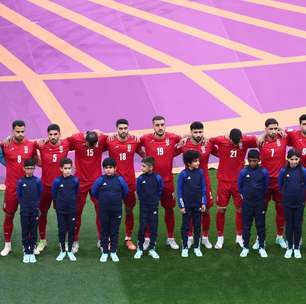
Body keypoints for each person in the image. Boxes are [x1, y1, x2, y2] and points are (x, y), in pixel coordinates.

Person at [209, 129, 257, 249]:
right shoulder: (220, 140)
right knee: (221, 209)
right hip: (223, 182)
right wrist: (218, 153)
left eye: (238, 142)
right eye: (233, 142)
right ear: (229, 138)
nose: (236, 145)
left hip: (239, 183)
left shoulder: (245, 139)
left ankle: (239, 237)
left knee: (240, 209)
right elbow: (209, 141)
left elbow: (258, 140)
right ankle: (220, 238)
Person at [140, 116, 181, 250]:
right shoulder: (145, 138)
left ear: (165, 125)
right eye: (157, 125)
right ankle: (147, 238)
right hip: (151, 182)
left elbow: (186, 139)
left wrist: (187, 136)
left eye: (162, 124)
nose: (160, 127)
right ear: (153, 126)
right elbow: (132, 144)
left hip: (168, 182)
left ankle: (171, 238)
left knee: (169, 209)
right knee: (149, 210)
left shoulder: (173, 137)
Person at [176, 121, 217, 249]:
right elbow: (171, 150)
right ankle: (189, 237)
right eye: (195, 132)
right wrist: (184, 136)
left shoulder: (208, 143)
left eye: (200, 132)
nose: (198, 134)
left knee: (206, 210)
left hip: (204, 183)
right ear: (191, 132)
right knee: (189, 211)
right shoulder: (184, 144)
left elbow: (221, 152)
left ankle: (204, 237)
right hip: (188, 184)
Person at [106, 119, 145, 251]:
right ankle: (111, 239)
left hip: (129, 183)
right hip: (113, 183)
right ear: (116, 129)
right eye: (120, 128)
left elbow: (143, 153)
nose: (123, 131)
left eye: (125, 128)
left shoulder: (135, 140)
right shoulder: (109, 140)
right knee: (112, 212)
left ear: (128, 128)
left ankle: (128, 238)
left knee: (129, 210)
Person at [67, 131, 107, 253]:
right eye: (90, 145)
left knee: (101, 212)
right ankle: (74, 241)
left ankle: (102, 240)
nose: (93, 147)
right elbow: (61, 144)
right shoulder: (75, 138)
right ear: (85, 141)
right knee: (76, 213)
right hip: (80, 182)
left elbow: (112, 138)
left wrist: (100, 132)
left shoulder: (102, 138)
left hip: (97, 182)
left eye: (95, 145)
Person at [1, 120, 37, 256]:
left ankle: (28, 244)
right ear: (12, 131)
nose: (20, 134)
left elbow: (37, 160)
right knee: (9, 215)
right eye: (17, 131)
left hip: (28, 187)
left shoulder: (31, 145)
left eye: (22, 131)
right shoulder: (5, 145)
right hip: (11, 187)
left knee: (29, 217)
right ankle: (7, 245)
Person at [36, 124, 72, 253]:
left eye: (55, 134)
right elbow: (28, 146)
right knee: (42, 213)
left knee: (62, 214)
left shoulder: (66, 144)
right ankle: (42, 240)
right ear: (47, 135)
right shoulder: (41, 145)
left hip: (61, 188)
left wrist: (96, 132)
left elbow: (80, 140)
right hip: (45, 187)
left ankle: (64, 241)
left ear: (59, 134)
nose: (52, 137)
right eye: (50, 135)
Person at [255, 118, 287, 249]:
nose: (273, 131)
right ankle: (259, 238)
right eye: (270, 129)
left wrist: (283, 129)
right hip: (264, 183)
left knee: (281, 211)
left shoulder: (284, 137)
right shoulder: (260, 141)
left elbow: (299, 132)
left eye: (275, 128)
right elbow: (241, 137)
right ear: (266, 129)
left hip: (280, 182)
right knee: (261, 211)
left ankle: (280, 237)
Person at [91, 158, 128, 263]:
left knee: (114, 231)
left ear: (115, 168)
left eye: (110, 168)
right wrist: (103, 200)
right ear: (103, 169)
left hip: (116, 210)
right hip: (103, 211)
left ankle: (113, 251)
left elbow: (125, 191)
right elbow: (94, 192)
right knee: (104, 231)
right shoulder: (100, 180)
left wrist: (116, 199)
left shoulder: (120, 180)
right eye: (106, 168)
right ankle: (105, 252)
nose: (108, 170)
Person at [238, 149, 269, 258]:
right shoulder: (243, 172)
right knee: (246, 226)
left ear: (259, 160)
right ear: (247, 160)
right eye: (250, 161)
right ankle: (245, 247)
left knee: (261, 226)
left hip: (259, 204)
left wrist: (260, 199)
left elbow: (266, 188)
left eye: (254, 161)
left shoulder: (264, 172)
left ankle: (261, 247)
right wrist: (246, 198)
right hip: (247, 204)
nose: (252, 163)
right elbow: (239, 187)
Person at [177, 150, 206, 258]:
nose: (198, 163)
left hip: (197, 205)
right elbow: (179, 191)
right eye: (195, 161)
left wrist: (203, 203)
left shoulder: (200, 172)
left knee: (197, 226)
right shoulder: (183, 174)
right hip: (187, 206)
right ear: (188, 163)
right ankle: (184, 247)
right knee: (185, 226)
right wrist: (181, 206)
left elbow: (203, 188)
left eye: (198, 161)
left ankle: (197, 247)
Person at [134, 157, 164, 260]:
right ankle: (140, 249)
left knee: (153, 227)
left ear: (151, 167)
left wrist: (155, 199)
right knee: (142, 227)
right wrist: (142, 200)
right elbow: (138, 191)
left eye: (144, 166)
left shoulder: (157, 178)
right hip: (144, 207)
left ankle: (152, 249)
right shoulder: (140, 179)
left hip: (154, 206)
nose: (141, 168)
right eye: (141, 165)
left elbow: (160, 189)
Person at [278, 149, 306, 259]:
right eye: (292, 159)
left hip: (299, 204)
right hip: (287, 203)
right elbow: (280, 186)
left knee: (298, 225)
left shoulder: (303, 171)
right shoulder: (283, 171)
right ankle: (289, 247)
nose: (294, 161)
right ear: (287, 159)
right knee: (289, 225)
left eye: (296, 159)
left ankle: (297, 248)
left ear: (299, 159)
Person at [52, 158, 79, 262]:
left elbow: (76, 193)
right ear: (61, 169)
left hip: (72, 210)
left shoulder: (75, 180)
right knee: (62, 230)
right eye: (65, 168)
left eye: (69, 168)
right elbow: (54, 195)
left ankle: (70, 251)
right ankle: (63, 251)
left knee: (71, 230)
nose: (68, 170)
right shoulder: (57, 181)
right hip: (61, 211)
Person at [17, 158, 43, 263]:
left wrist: (36, 207)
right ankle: (25, 251)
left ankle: (31, 251)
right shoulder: (20, 181)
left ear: (34, 169)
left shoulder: (37, 181)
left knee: (33, 231)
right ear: (24, 169)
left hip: (34, 210)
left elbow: (40, 193)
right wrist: (24, 205)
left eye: (31, 168)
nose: (29, 171)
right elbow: (19, 195)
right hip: (24, 210)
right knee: (25, 230)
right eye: (27, 168)